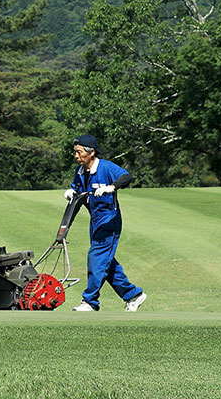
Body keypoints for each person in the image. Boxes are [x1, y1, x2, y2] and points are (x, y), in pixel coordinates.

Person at [65, 134, 147, 312]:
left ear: (91, 152)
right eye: (75, 152)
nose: (76, 156)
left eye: (79, 152)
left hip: (109, 220)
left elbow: (126, 177)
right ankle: (133, 295)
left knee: (96, 258)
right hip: (95, 221)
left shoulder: (106, 167)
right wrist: (71, 191)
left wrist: (111, 187)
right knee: (106, 263)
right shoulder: (80, 171)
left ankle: (90, 301)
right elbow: (76, 188)